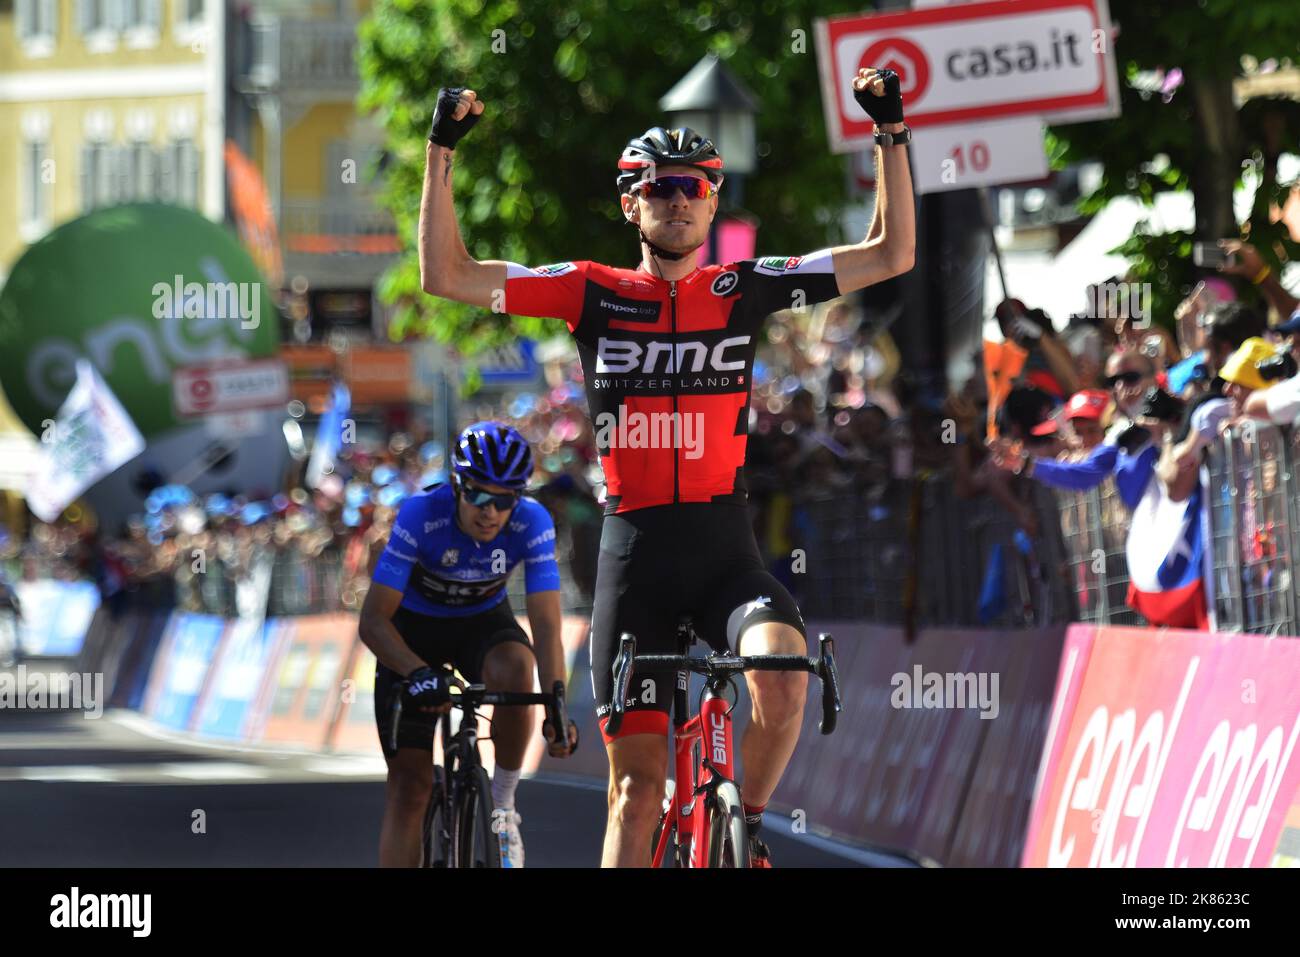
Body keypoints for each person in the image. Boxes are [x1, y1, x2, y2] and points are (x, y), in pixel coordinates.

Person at [417, 67, 915, 867]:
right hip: (636, 558)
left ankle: (744, 821)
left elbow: (891, 252)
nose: (678, 199)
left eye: (695, 186)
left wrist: (890, 131)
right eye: (659, 187)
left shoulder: (745, 288)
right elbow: (446, 275)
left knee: (784, 676)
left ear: (714, 202)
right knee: (636, 793)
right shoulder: (589, 292)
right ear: (631, 203)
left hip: (726, 550)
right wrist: (441, 148)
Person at [359, 422, 578, 869]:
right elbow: (374, 622)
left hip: (481, 623)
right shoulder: (421, 513)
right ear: (456, 485)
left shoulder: (532, 520)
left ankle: (503, 805)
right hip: (412, 632)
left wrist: (556, 703)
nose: (489, 512)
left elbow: (546, 623)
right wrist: (418, 673)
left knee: (519, 668)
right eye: (478, 495)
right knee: (409, 788)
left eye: (504, 500)